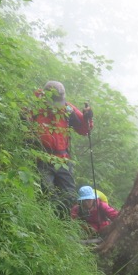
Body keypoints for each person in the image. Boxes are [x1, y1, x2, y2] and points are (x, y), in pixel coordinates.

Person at [29, 81, 93, 217]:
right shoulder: (34, 106)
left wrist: (88, 118)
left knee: (69, 195)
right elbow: (24, 125)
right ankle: (45, 223)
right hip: (42, 157)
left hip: (63, 160)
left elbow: (84, 130)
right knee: (47, 192)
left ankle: (63, 225)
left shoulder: (68, 109)